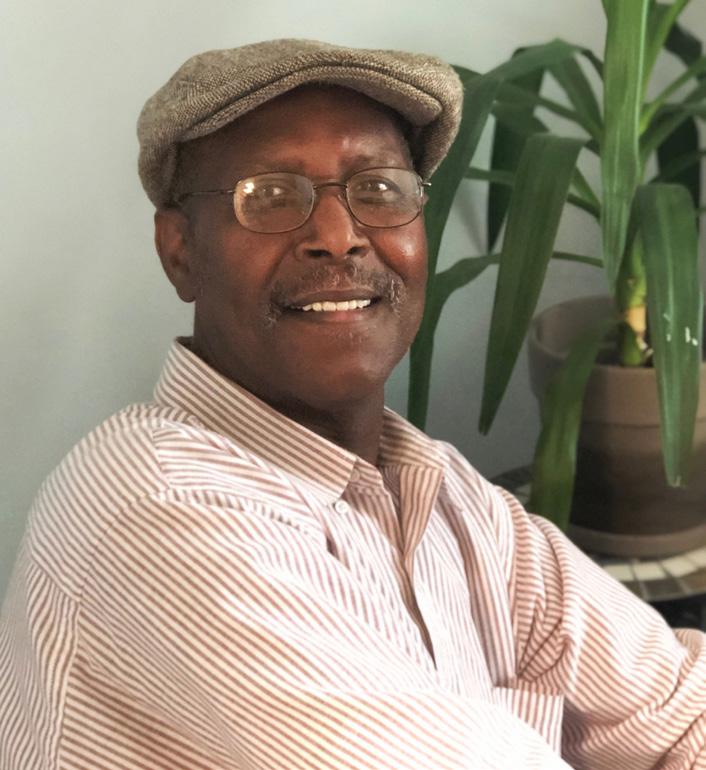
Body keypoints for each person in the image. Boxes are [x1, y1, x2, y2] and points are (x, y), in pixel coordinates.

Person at [1, 38, 705, 770]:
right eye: (271, 196)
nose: (338, 239)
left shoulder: (448, 499)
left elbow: (682, 712)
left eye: (379, 189)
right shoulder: (162, 509)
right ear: (180, 251)